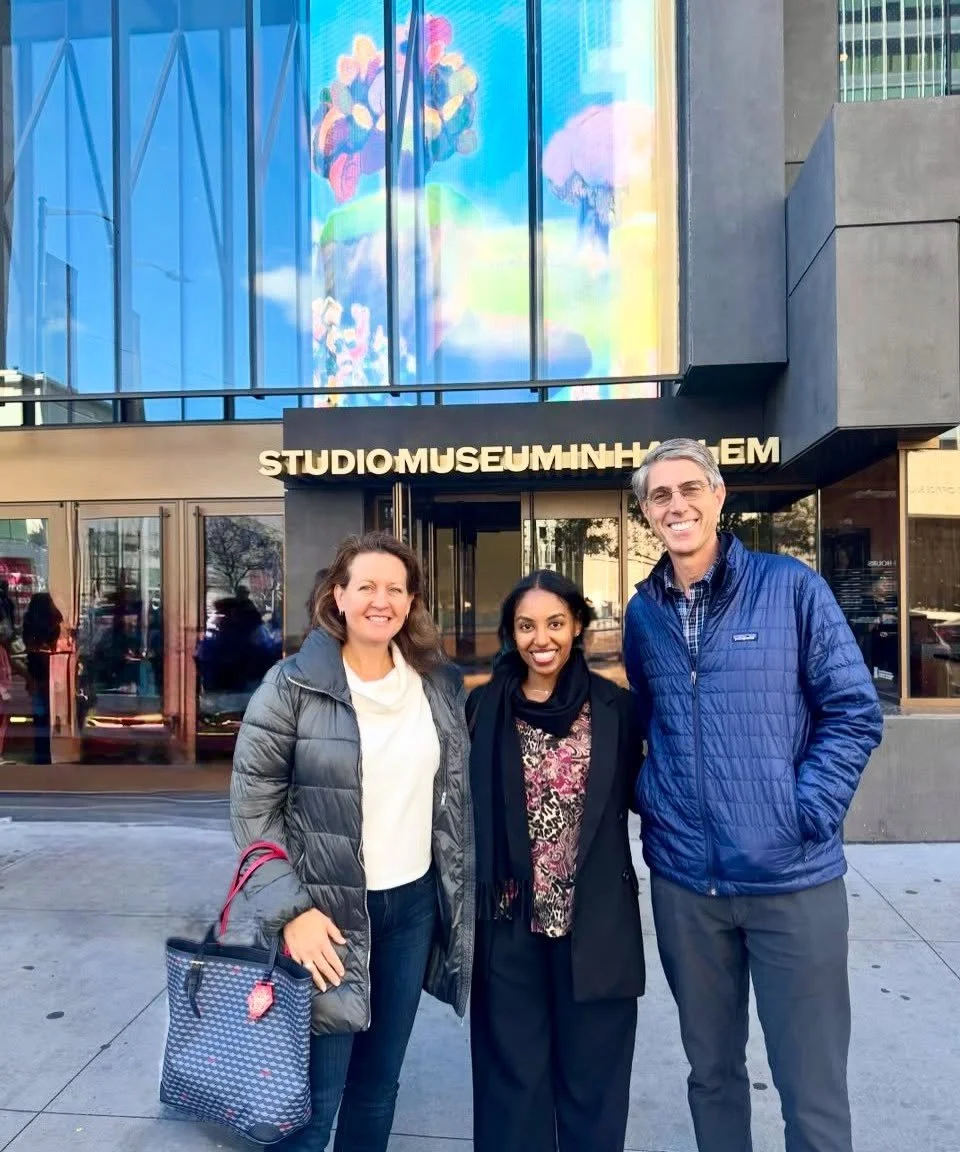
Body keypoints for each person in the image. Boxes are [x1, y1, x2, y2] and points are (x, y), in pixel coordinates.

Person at [623, 439, 883, 1152]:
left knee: (812, 1089)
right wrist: (659, 800)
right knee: (711, 1074)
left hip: (790, 881)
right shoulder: (643, 612)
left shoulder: (791, 587)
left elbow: (853, 712)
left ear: (718, 495)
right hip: (686, 884)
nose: (676, 506)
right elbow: (653, 719)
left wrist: (805, 813)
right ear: (647, 513)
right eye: (659, 496)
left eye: (688, 490)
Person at [230, 531, 474, 1152]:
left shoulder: (437, 686)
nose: (379, 599)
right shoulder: (291, 687)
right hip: (324, 918)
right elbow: (253, 808)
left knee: (378, 1088)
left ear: (411, 600)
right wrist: (291, 914)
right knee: (311, 1103)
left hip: (410, 910)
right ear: (338, 596)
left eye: (395, 587)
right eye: (365, 585)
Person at [467, 570, 645, 1152]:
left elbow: (648, 793)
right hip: (508, 922)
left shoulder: (617, 708)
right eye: (525, 625)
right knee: (511, 1087)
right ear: (509, 633)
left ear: (578, 628)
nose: (540, 638)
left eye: (554, 623)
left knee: (594, 1087)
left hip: (595, 923)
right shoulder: (481, 708)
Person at [22, 592, 63, 766]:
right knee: (50, 712)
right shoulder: (54, 622)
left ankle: (40, 752)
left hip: (34, 670)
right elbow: (54, 648)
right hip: (50, 671)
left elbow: (28, 646)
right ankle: (49, 751)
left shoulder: (29, 622)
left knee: (38, 713)